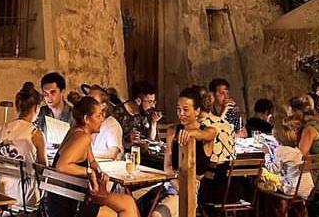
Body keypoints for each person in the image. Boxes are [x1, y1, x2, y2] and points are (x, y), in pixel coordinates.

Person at [46, 96, 139, 217]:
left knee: (128, 201)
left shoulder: (79, 132)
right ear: (86, 119)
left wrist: (99, 172)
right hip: (71, 207)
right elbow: (61, 166)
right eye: (98, 116)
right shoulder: (82, 138)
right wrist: (89, 172)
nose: (102, 119)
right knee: (126, 208)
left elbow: (93, 162)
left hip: (68, 199)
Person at [142, 87, 220, 217]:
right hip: (171, 183)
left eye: (185, 109)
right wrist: (178, 185)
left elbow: (206, 135)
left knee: (157, 215)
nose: (181, 113)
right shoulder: (172, 131)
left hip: (194, 189)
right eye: (178, 109)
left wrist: (191, 132)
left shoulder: (209, 131)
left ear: (197, 111)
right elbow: (167, 167)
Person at [0, 82, 47, 207]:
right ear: (36, 108)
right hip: (24, 194)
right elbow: (43, 167)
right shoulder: (35, 133)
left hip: (1, 190)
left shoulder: (3, 128)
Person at [287, 95, 319, 210]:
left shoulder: (310, 129)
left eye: (291, 113)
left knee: (275, 183)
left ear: (298, 112)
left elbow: (298, 157)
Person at [273, 117, 314, 198]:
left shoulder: (280, 150)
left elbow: (274, 170)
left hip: (293, 188)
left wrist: (267, 154)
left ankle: (276, 205)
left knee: (265, 180)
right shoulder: (296, 150)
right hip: (307, 188)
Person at [114, 81, 161, 146]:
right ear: (138, 101)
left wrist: (153, 122)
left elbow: (151, 140)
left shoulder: (144, 112)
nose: (153, 106)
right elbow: (113, 143)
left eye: (153, 102)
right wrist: (128, 139)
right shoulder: (118, 114)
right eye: (150, 102)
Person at [86, 87, 123, 160]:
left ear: (103, 105)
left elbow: (113, 153)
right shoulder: (88, 123)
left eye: (93, 100)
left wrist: (86, 152)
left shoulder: (112, 124)